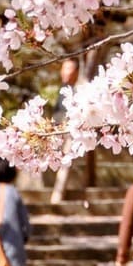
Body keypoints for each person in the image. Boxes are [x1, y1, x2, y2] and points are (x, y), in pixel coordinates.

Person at [49, 58, 80, 204]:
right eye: (64, 68)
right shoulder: (61, 90)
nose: (66, 72)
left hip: (72, 133)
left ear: (77, 72)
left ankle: (58, 195)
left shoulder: (78, 91)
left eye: (69, 68)